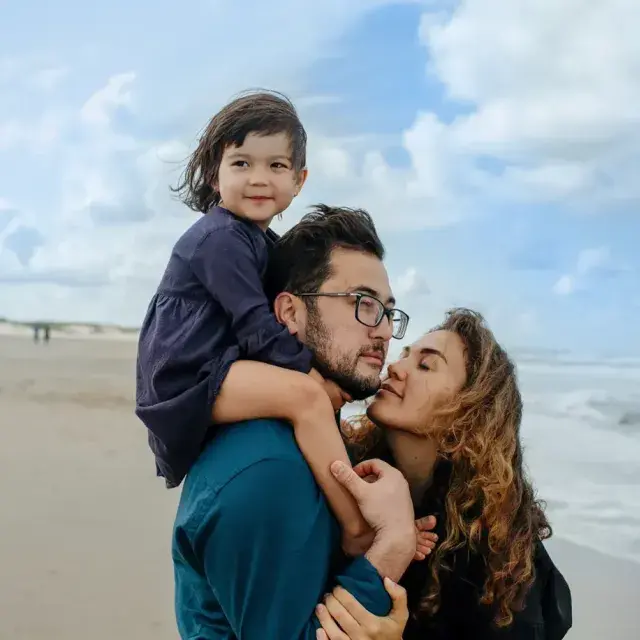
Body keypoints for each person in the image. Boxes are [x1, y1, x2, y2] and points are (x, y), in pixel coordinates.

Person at [135, 90, 412, 554]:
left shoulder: (263, 243)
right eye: (241, 163)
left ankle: (334, 478)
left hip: (216, 363)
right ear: (213, 173)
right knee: (305, 396)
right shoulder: (219, 239)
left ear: (300, 180)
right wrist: (311, 375)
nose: (259, 179)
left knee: (313, 397)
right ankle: (355, 525)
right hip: (186, 373)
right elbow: (256, 326)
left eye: (277, 166)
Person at [171, 205, 432, 639]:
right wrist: (393, 543)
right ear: (290, 313)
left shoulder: (313, 439)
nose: (385, 331)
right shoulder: (270, 469)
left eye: (389, 312)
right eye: (364, 304)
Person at [315, 308, 573, 640]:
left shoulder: (497, 560)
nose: (394, 366)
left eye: (425, 365)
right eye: (405, 355)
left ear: (468, 414)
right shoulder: (351, 470)